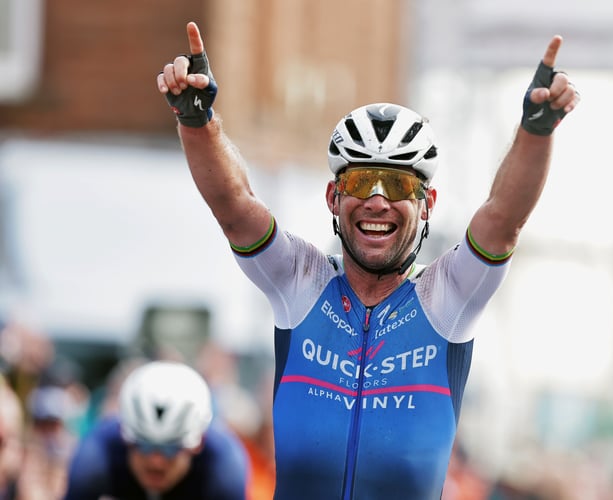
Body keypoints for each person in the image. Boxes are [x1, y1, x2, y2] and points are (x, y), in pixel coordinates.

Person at [157, 21, 579, 499]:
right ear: (333, 198)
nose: (377, 201)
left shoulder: (447, 297)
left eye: (398, 185)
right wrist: (197, 123)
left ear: (429, 204)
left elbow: (503, 218)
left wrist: (536, 130)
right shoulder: (302, 282)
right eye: (360, 184)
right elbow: (235, 207)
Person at [62, 360, 250, 499]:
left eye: (171, 448)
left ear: (198, 444)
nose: (156, 462)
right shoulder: (95, 456)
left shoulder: (224, 465)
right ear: (125, 438)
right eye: (144, 445)